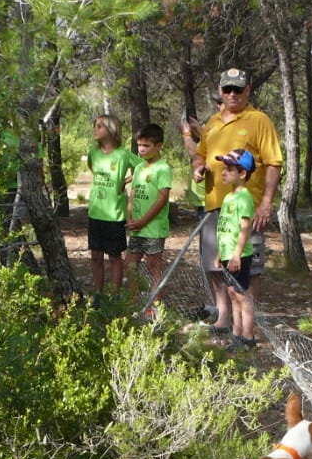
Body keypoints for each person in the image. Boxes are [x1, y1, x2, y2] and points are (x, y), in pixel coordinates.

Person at [181, 68, 283, 332]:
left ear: (247, 90)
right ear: (220, 90)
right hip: (214, 206)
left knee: (249, 268)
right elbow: (201, 154)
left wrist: (266, 203)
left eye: (238, 89)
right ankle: (223, 317)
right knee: (214, 264)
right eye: (227, 89)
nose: (232, 94)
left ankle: (246, 326)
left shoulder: (259, 120)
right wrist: (198, 167)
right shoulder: (212, 123)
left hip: (247, 208)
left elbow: (274, 163)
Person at [84, 114, 137, 294]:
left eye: (99, 126)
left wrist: (126, 181)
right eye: (95, 125)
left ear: (111, 129)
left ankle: (115, 296)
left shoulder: (123, 154)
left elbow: (143, 167)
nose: (95, 129)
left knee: (115, 256)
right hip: (95, 212)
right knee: (96, 256)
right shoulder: (93, 153)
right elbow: (92, 167)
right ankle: (98, 294)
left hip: (115, 214)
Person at [123, 123, 173, 310]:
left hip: (153, 229)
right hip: (136, 229)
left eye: (146, 145)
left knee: (154, 268)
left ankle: (156, 309)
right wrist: (129, 217)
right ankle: (133, 305)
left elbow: (162, 198)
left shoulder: (163, 168)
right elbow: (133, 193)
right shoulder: (138, 168)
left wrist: (143, 221)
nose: (141, 149)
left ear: (159, 146)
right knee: (130, 266)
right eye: (139, 145)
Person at [214, 148, 258, 351]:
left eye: (230, 169)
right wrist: (220, 253)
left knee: (241, 295)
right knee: (232, 293)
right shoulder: (228, 197)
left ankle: (248, 337)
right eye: (224, 168)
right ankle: (237, 333)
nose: (224, 172)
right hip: (227, 254)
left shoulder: (244, 197)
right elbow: (225, 229)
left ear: (242, 174)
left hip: (238, 256)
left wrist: (236, 255)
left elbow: (244, 228)